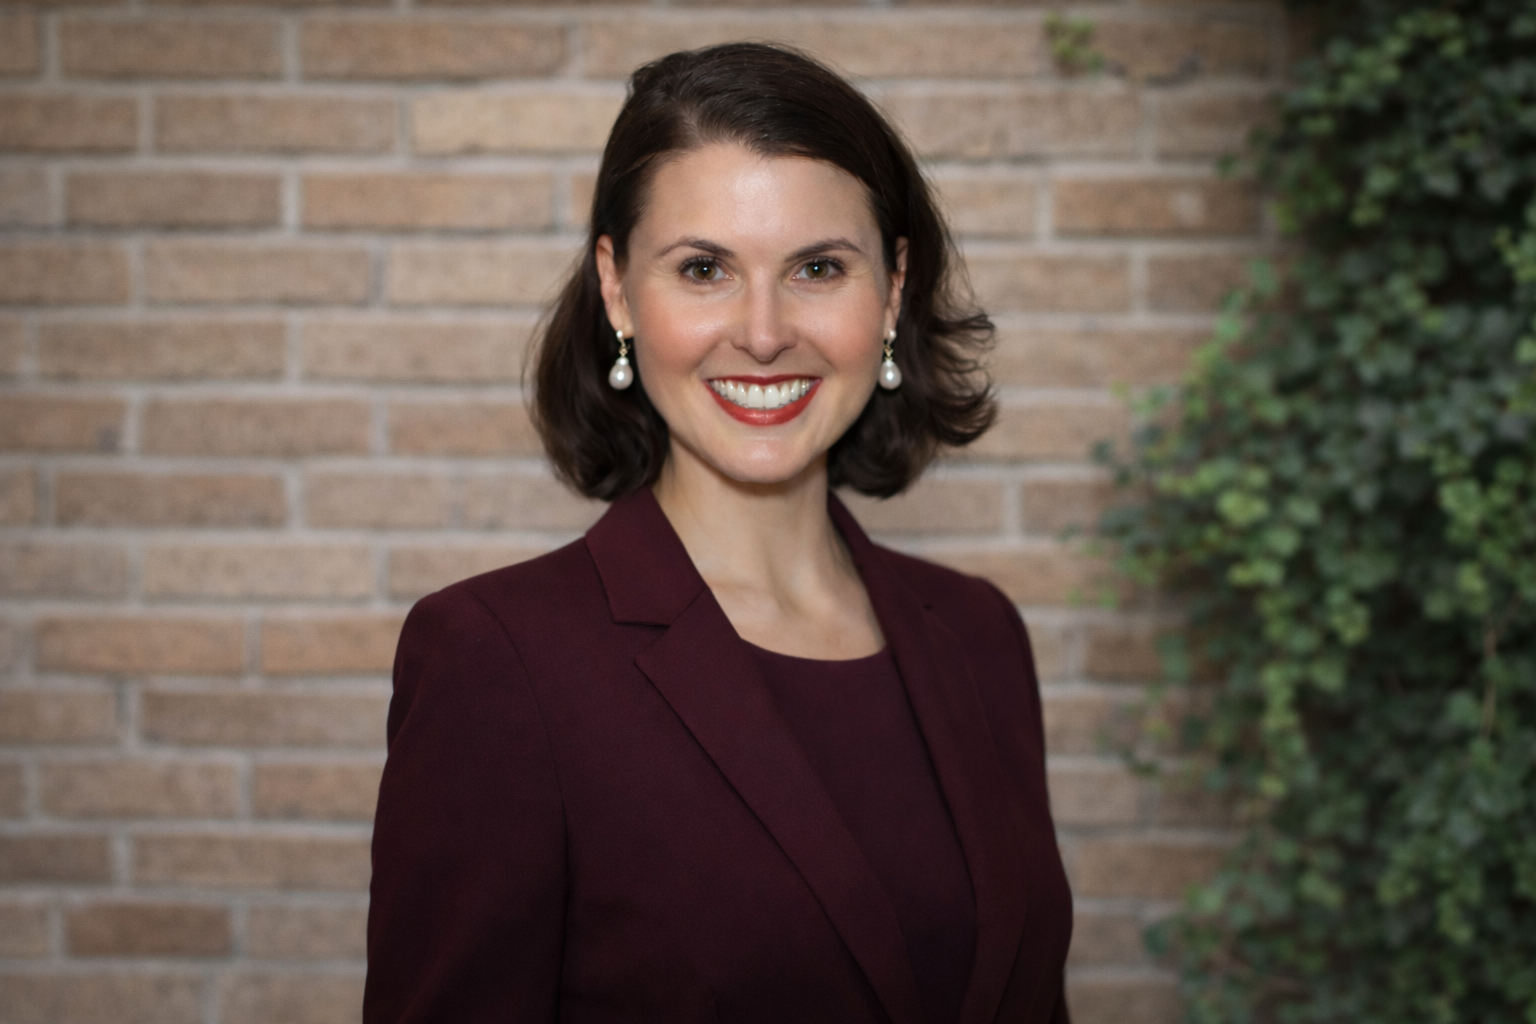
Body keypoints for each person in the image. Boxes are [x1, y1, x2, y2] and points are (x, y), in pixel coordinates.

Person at [364, 42, 1073, 1024]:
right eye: (704, 269)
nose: (765, 332)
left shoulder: (979, 633)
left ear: (894, 288)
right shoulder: (497, 660)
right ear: (617, 288)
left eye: (818, 268)